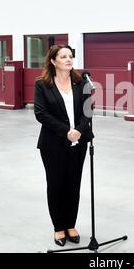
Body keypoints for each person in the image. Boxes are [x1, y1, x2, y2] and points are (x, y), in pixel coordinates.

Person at [34, 44, 94, 246]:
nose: (69, 59)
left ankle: (70, 224)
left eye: (70, 56)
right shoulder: (42, 84)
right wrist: (66, 131)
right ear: (53, 61)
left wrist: (78, 130)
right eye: (63, 56)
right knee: (56, 185)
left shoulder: (81, 82)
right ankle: (58, 227)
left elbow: (88, 110)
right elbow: (41, 113)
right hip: (53, 144)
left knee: (73, 184)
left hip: (79, 141)